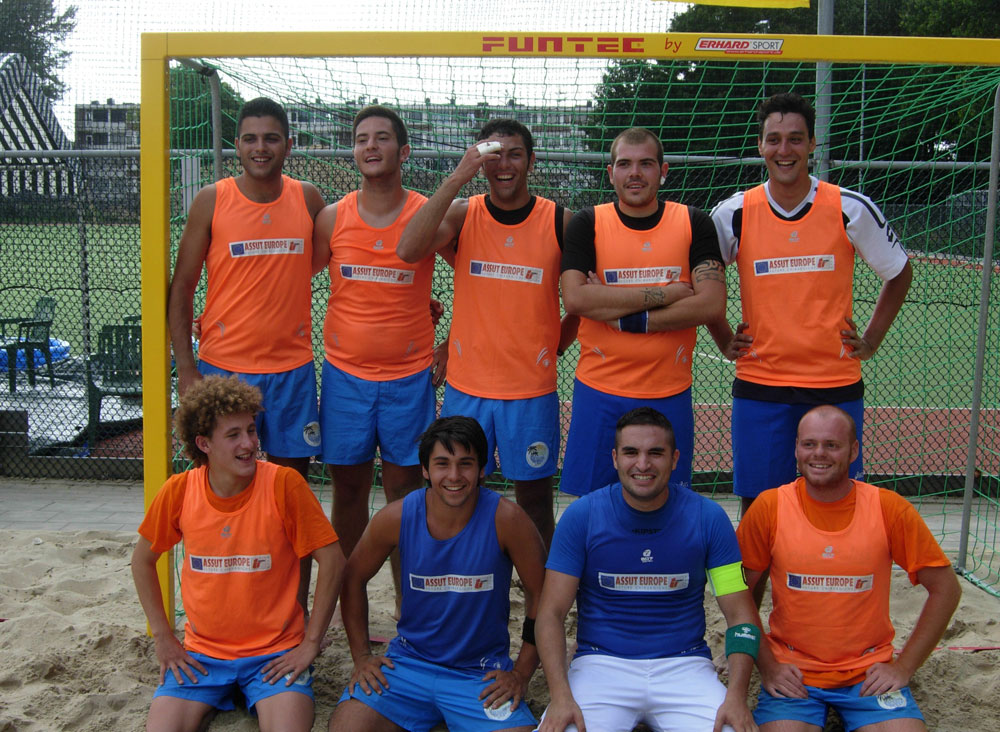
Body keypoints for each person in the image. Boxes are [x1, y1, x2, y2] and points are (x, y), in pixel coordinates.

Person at [710, 92, 913, 515]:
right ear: (760, 145)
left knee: (836, 504)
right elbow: (701, 280)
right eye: (774, 139)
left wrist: (872, 339)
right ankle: (756, 566)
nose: (784, 150)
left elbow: (899, 272)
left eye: (796, 139)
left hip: (833, 384)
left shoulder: (849, 208)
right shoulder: (734, 213)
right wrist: (723, 336)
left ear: (813, 144)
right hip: (761, 384)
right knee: (760, 510)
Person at [397, 118, 578, 550]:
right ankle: (464, 573)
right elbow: (408, 249)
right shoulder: (464, 213)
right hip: (467, 388)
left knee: (535, 500)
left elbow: (582, 300)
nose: (504, 165)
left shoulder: (560, 220)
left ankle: (537, 586)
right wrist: (457, 177)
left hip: (530, 390)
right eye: (493, 156)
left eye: (515, 154)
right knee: (457, 492)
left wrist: (554, 343)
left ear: (532, 161)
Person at [131, 375, 344, 732]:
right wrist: (164, 637)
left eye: (251, 430)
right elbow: (142, 561)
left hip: (275, 654)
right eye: (233, 435)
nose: (249, 443)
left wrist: (309, 643)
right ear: (204, 443)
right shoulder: (180, 490)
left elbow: (334, 560)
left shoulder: (283, 483)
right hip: (201, 655)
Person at [737, 405, 960, 731]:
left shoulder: (888, 508)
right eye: (809, 444)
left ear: (854, 450)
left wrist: (904, 667)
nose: (819, 453)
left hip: (868, 673)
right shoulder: (770, 507)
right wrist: (768, 665)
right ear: (796, 448)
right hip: (793, 672)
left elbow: (946, 589)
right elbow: (737, 593)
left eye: (832, 445)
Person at [535, 407, 759, 732]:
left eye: (655, 453)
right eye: (631, 452)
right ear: (615, 458)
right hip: (600, 664)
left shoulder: (709, 518)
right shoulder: (582, 516)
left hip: (685, 665)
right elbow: (551, 613)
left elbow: (741, 617)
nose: (642, 464)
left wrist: (736, 697)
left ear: (675, 459)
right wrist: (560, 696)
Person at [329, 416, 546, 732]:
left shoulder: (508, 520)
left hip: (479, 674)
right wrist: (362, 657)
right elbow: (352, 578)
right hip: (407, 666)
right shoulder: (396, 516)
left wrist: (521, 674)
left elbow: (542, 594)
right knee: (346, 727)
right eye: (442, 464)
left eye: (465, 464)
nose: (454, 476)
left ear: (482, 469)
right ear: (425, 470)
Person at [312, 105, 445, 598]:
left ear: (403, 151)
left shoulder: (428, 213)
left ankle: (410, 604)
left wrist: (452, 336)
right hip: (345, 376)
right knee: (347, 490)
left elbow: (481, 274)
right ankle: (347, 598)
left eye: (382, 137)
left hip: (408, 378)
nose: (370, 145)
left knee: (405, 496)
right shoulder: (332, 217)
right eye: (361, 138)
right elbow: (285, 276)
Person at [559, 127, 726, 497]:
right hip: (599, 391)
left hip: (669, 392)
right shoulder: (588, 223)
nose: (635, 173)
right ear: (611, 173)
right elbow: (576, 300)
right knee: (593, 507)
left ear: (663, 171)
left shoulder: (693, 222)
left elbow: (711, 303)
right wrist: (666, 294)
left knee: (668, 506)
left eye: (646, 164)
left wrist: (616, 308)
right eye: (625, 164)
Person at [168, 96, 325, 480]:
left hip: (292, 369)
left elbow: (343, 258)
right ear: (236, 145)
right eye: (250, 139)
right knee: (224, 482)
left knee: (290, 483)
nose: (260, 148)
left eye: (271, 138)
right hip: (224, 369)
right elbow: (182, 287)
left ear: (289, 145)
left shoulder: (307, 197)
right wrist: (185, 367)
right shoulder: (212, 200)